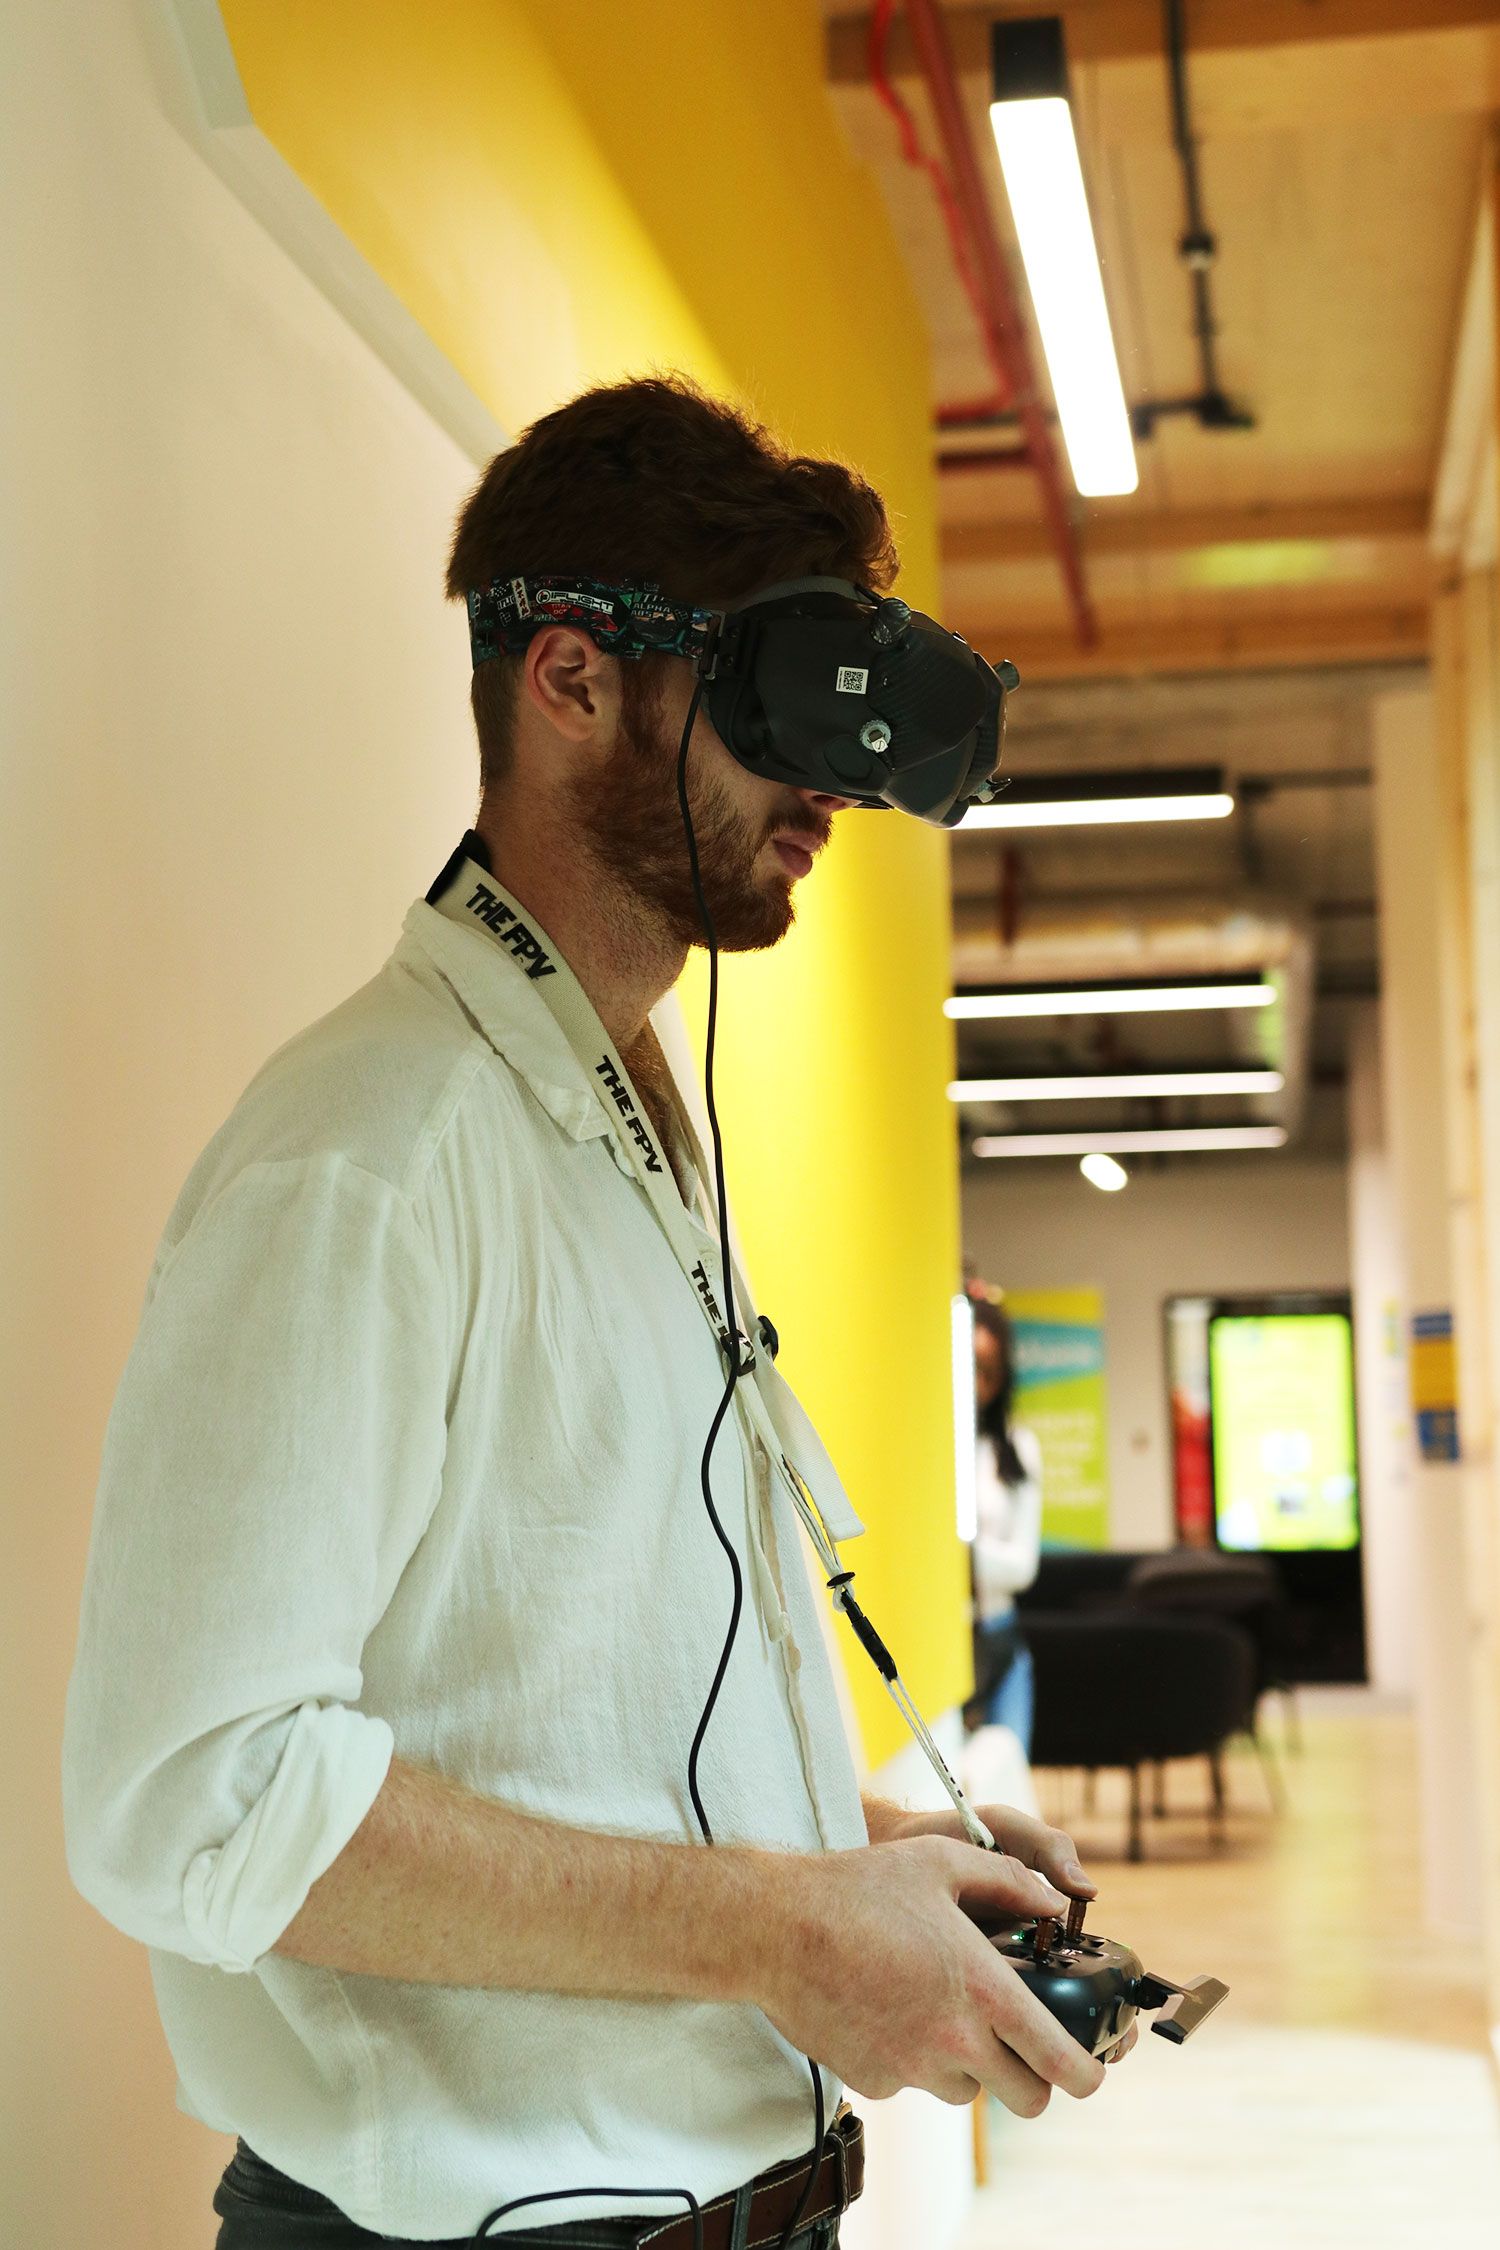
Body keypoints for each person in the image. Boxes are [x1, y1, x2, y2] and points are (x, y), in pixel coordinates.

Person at [61, 376, 1114, 2250]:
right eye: (777, 703)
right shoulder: (372, 1156)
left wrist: (861, 1855)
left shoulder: (625, 1120)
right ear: (572, 680)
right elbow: (197, 1795)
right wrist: (782, 1929)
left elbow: (552, 1714)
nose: (830, 788)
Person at [964, 1288, 1043, 1756]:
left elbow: (1023, 1567)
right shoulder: (934, 1448)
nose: (978, 1384)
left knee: (1008, 1781)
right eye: (970, 1365)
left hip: (1000, 1637)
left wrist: (961, 1555)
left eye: (990, 1372)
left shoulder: (1018, 1449)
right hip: (947, 1644)